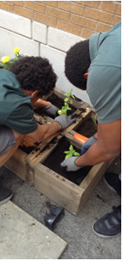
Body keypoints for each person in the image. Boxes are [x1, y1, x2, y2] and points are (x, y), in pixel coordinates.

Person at [62, 22, 121, 238]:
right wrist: (97, 136)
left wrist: (78, 162)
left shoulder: (101, 74)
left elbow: (109, 149)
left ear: (88, 75)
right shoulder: (115, 34)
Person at [0, 56, 76, 203]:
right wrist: (59, 124)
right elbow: (40, 135)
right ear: (34, 93)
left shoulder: (1, 74)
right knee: (18, 133)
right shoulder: (17, 106)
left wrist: (45, 104)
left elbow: (17, 97)